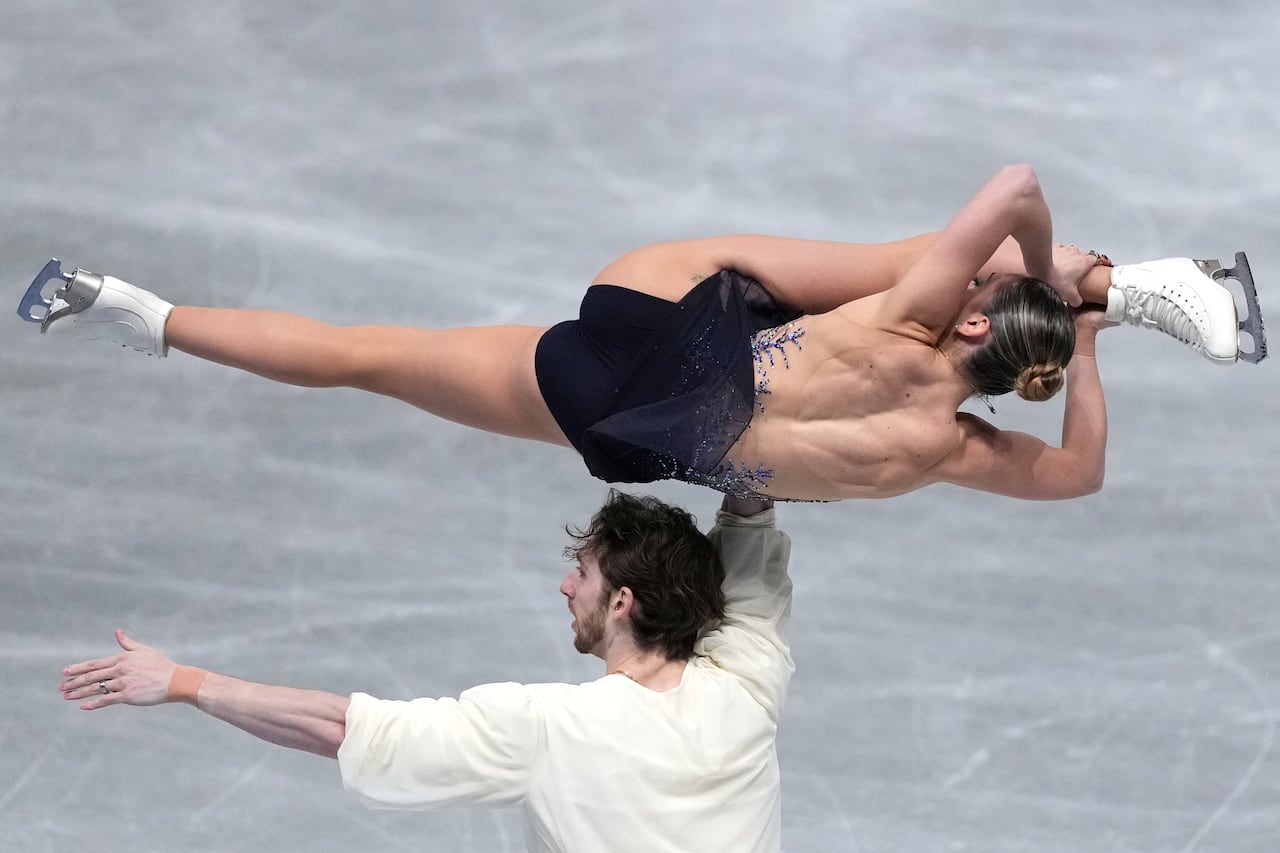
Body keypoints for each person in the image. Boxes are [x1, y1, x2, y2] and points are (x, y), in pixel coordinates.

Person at [21, 164, 1256, 501]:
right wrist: (1081, 351)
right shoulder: (949, 450)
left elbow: (1008, 191)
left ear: (978, 320)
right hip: (640, 425)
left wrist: (1042, 270)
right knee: (369, 364)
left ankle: (1133, 282)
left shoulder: (905, 318)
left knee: (894, 255)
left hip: (663, 313)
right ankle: (150, 319)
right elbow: (1079, 473)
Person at [59, 491, 794, 853]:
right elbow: (752, 530)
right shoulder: (747, 684)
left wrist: (186, 680)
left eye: (583, 572)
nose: (567, 587)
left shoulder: (546, 728)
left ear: (623, 601)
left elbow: (342, 726)